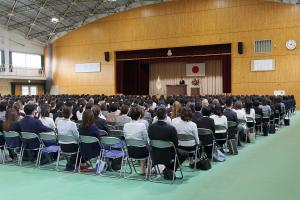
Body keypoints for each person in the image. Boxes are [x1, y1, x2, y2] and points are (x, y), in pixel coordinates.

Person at [148, 106, 188, 180]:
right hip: (168, 154)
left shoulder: (150, 127)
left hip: (155, 153)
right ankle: (170, 169)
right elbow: (175, 144)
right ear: (166, 116)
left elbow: (150, 139)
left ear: (157, 116)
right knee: (185, 154)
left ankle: (167, 169)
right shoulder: (171, 128)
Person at [123, 107, 148, 174]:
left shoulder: (125, 125)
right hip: (142, 151)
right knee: (146, 146)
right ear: (140, 116)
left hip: (130, 151)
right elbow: (146, 139)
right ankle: (143, 170)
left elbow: (125, 137)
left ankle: (143, 169)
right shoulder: (142, 125)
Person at [56, 106, 80, 171]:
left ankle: (71, 164)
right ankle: (72, 164)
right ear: (71, 113)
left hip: (62, 146)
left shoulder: (58, 122)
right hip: (72, 146)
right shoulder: (72, 124)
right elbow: (77, 137)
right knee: (81, 148)